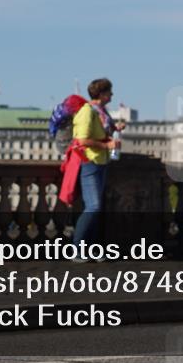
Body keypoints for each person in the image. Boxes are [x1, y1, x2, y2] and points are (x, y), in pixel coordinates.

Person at [70, 78, 117, 256]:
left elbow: (102, 133)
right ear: (102, 94)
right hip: (89, 162)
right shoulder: (87, 111)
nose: (112, 95)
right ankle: (76, 250)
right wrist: (106, 146)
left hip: (101, 162)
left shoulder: (100, 111)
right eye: (110, 92)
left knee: (95, 208)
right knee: (93, 206)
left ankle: (90, 250)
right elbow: (82, 140)